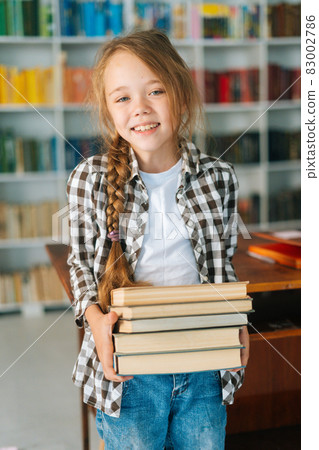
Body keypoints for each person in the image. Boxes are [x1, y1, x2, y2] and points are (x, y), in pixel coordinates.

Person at [67, 29, 249, 449]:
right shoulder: (89, 179)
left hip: (203, 363)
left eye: (155, 90)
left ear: (180, 94)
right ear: (109, 109)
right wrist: (96, 323)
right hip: (130, 372)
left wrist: (235, 321)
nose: (141, 109)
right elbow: (78, 265)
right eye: (123, 97)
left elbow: (221, 265)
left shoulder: (218, 178)